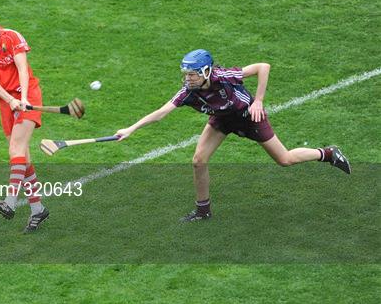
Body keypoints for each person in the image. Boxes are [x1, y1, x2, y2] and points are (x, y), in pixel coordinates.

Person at [115, 49, 350, 222]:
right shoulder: (188, 92)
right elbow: (161, 113)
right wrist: (130, 129)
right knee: (198, 160)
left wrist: (258, 100)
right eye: (186, 74)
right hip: (221, 120)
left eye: (193, 75)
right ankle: (202, 210)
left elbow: (263, 67)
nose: (188, 79)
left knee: (284, 160)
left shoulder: (224, 76)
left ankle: (328, 153)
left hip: (249, 118)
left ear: (207, 72)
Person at [0, 13, 49, 232]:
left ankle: (10, 202)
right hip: (7, 101)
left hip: (28, 96)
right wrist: (11, 100)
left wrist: (22, 98)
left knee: (16, 148)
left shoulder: (11, 37)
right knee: (22, 157)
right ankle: (38, 209)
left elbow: (22, 68)